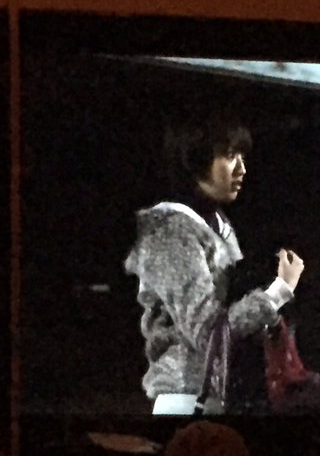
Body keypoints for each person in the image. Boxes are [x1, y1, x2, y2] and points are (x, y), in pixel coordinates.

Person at [124, 111, 305, 415]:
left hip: (222, 399)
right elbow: (207, 333)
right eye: (230, 156)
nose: (242, 169)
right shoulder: (171, 231)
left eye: (242, 157)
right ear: (194, 160)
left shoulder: (218, 225)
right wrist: (278, 292)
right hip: (185, 399)